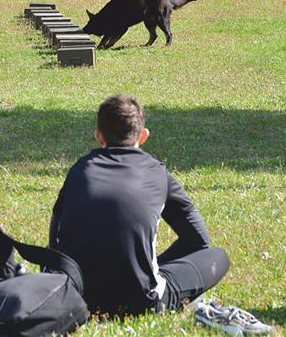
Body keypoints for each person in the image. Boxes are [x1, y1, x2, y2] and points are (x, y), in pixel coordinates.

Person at [48, 94, 230, 317]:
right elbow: (198, 239)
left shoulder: (79, 170)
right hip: (141, 300)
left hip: (76, 296)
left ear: (98, 136)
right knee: (218, 256)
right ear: (143, 136)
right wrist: (145, 267)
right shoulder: (157, 173)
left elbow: (54, 245)